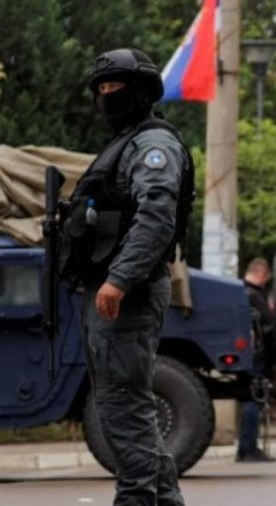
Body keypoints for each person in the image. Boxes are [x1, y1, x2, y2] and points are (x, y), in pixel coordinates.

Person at [60, 48, 193, 505]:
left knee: (122, 408)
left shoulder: (153, 146)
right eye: (100, 88)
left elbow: (156, 214)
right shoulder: (128, 143)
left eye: (114, 86)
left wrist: (119, 278)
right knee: (127, 407)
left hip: (127, 294)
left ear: (139, 91)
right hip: (113, 291)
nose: (105, 95)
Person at [236, 257, 276, 463]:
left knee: (248, 399)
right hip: (256, 355)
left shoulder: (237, 291)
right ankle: (248, 448)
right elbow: (269, 325)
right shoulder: (255, 295)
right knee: (253, 399)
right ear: (261, 273)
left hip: (242, 354)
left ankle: (245, 447)